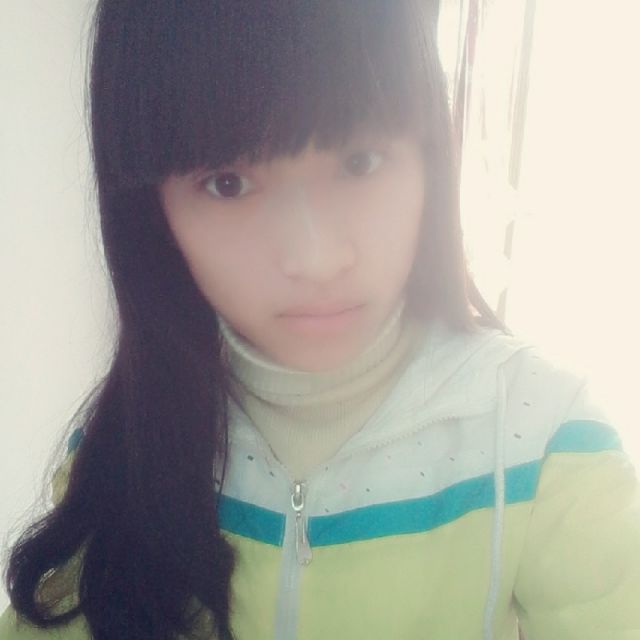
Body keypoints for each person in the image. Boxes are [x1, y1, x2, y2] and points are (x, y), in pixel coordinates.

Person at [1, 2, 639, 639]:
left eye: (359, 161)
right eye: (228, 182)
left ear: (429, 157)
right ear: (150, 209)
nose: (316, 260)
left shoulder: (544, 440)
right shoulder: (120, 442)